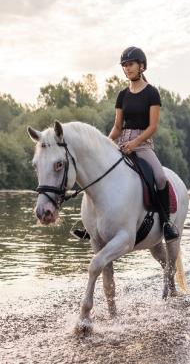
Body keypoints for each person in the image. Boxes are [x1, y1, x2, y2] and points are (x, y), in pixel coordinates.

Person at [73, 46, 178, 241]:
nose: (127, 69)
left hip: (143, 144)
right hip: (122, 143)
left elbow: (153, 126)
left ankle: (166, 223)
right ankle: (91, 225)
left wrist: (135, 143)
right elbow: (117, 126)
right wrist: (104, 143)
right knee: (96, 174)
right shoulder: (122, 95)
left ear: (142, 66)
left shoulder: (151, 93)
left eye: (131, 64)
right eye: (125, 65)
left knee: (161, 178)